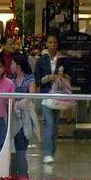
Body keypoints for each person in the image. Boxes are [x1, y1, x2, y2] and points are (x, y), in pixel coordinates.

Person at [35, 34, 71, 164]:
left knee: (55, 126)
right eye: (50, 42)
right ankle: (47, 153)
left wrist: (62, 76)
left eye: (55, 42)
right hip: (46, 95)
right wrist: (49, 78)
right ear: (47, 44)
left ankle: (52, 150)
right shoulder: (41, 60)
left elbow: (70, 77)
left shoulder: (64, 60)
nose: (52, 45)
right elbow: (37, 80)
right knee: (49, 124)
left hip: (59, 95)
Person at [8, 53, 39, 178]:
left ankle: (22, 174)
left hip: (25, 115)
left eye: (12, 63)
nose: (10, 66)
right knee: (14, 144)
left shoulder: (29, 78)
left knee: (22, 144)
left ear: (18, 65)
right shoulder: (11, 79)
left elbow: (31, 94)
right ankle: (17, 172)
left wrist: (24, 101)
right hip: (14, 115)